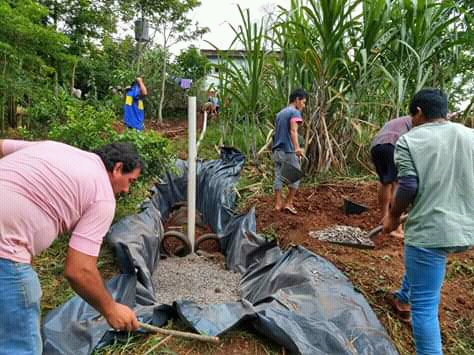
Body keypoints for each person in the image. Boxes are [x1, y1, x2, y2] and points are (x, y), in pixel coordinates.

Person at [0, 139, 143, 354]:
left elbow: (2, 145)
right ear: (118, 168)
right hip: (6, 250)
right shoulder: (102, 196)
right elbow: (79, 270)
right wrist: (111, 309)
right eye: (129, 181)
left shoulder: (55, 148)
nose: (126, 190)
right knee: (20, 343)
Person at [383, 88, 474, 355]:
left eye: (412, 115)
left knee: (424, 308)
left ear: (419, 112)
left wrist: (393, 217)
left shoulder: (411, 140)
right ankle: (402, 297)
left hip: (432, 232)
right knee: (420, 268)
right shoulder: (470, 135)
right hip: (466, 229)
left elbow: (408, 185)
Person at [370, 115, 412, 237]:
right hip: (393, 145)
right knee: (399, 183)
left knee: (384, 182)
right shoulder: (422, 120)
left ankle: (384, 218)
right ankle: (396, 227)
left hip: (377, 146)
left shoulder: (401, 120)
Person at [271, 88, 307, 214]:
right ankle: (288, 203)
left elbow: (276, 133)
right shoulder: (294, 112)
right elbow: (293, 131)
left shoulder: (280, 113)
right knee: (295, 176)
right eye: (303, 102)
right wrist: (297, 148)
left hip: (277, 150)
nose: (303, 105)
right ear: (297, 99)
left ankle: (277, 204)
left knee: (279, 177)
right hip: (288, 150)